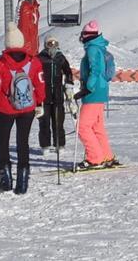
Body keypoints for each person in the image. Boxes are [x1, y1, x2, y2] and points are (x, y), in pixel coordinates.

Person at [0, 24, 45, 193]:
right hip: (27, 108)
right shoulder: (34, 62)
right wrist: (40, 103)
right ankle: (23, 182)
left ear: (7, 44)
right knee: (23, 143)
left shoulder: (0, 64)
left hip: (6, 109)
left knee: (3, 143)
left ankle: (5, 180)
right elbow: (40, 85)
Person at [76, 20, 118, 169]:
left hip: (93, 92)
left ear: (87, 35)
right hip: (101, 91)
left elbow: (96, 69)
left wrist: (88, 87)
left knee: (83, 126)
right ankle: (106, 156)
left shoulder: (93, 49)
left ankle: (95, 158)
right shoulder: (100, 48)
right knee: (96, 127)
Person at [37, 37, 74, 153]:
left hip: (57, 95)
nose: (52, 46)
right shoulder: (40, 58)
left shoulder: (60, 57)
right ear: (45, 45)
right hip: (44, 96)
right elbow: (34, 73)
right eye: (49, 44)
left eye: (55, 43)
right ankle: (45, 145)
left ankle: (60, 144)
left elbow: (68, 71)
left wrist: (68, 84)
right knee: (44, 121)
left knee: (58, 121)